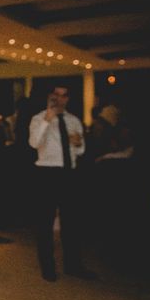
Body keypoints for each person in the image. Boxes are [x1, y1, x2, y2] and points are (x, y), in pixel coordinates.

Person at [29, 86, 96, 282]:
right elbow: (34, 143)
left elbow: (81, 149)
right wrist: (47, 120)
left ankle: (73, 266)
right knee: (45, 223)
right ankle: (48, 268)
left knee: (72, 222)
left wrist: (78, 144)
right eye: (56, 95)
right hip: (47, 174)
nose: (60, 98)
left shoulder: (74, 120)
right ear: (50, 97)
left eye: (64, 95)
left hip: (70, 174)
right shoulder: (38, 118)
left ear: (68, 98)